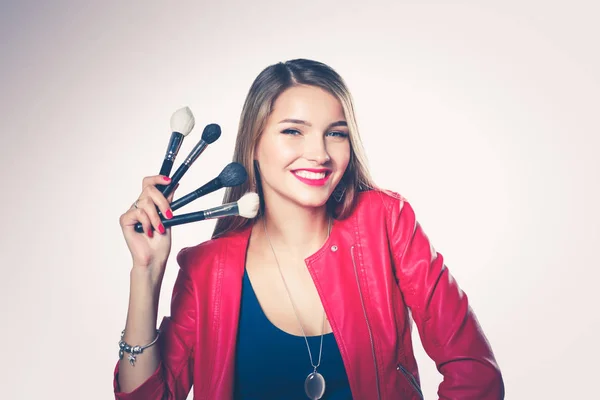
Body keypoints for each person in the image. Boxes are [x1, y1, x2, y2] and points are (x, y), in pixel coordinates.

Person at [113, 59, 504, 400]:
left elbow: (474, 373)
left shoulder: (386, 221)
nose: (319, 153)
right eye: (293, 131)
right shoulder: (207, 268)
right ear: (253, 143)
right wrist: (145, 273)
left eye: (336, 133)